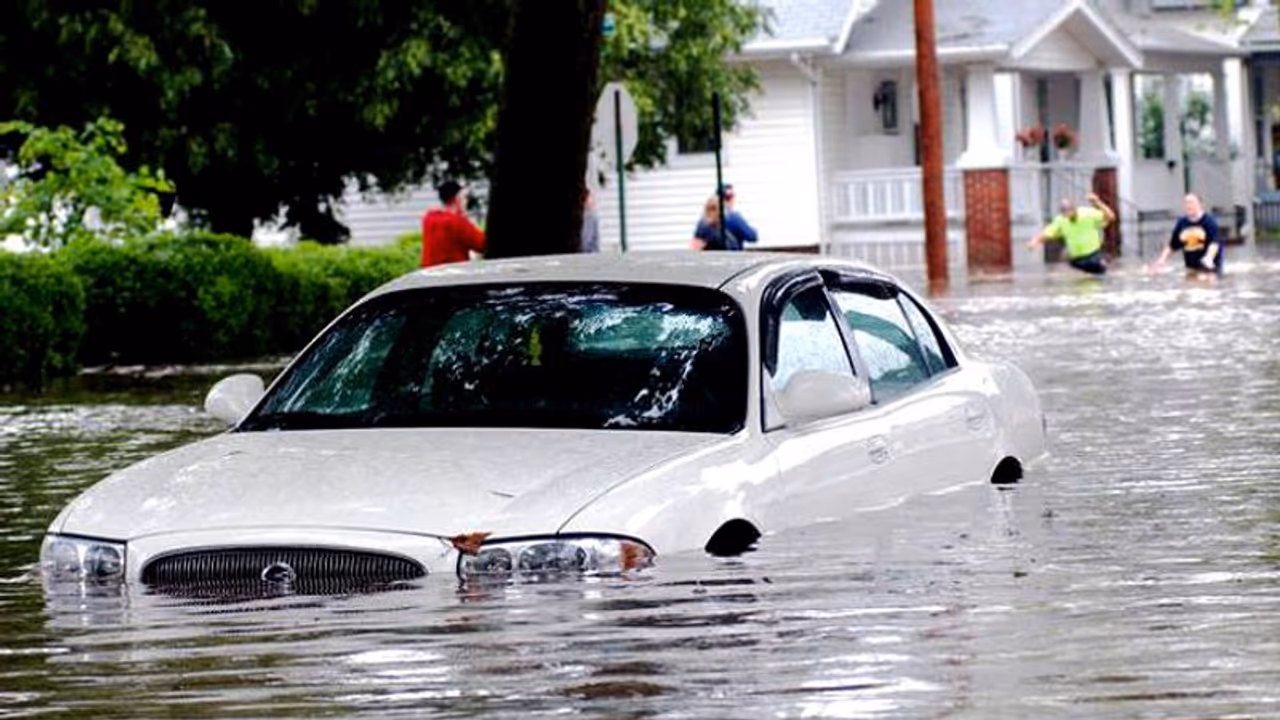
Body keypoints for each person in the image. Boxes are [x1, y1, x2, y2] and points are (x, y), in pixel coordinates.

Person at [1025, 192, 1116, 275]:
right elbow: (1048, 233)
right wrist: (1035, 241)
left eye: (1068, 212)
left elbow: (1111, 217)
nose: (1067, 216)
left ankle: (1104, 264)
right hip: (1077, 259)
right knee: (1077, 271)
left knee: (1097, 273)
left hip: (1093, 254)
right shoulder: (1061, 219)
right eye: (1064, 213)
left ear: (1075, 209)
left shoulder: (1088, 213)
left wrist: (1098, 203)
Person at [1149, 193, 1223, 276]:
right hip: (1191, 268)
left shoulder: (1209, 222)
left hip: (1210, 267)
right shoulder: (1182, 223)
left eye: (1191, 202)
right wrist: (1161, 260)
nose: (1188, 206)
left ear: (1200, 204)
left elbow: (1215, 242)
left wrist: (1209, 257)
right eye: (1186, 203)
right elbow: (1172, 245)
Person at [421, 180, 485, 268]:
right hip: (453, 275)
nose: (466, 202)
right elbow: (482, 244)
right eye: (464, 197)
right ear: (457, 198)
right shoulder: (457, 222)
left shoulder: (429, 219)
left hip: (428, 274)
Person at [721, 184, 758, 249]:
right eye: (729, 197)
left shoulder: (705, 220)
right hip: (733, 257)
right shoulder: (733, 217)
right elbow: (752, 236)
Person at [580, 186, 600, 253]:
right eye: (590, 198)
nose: (592, 201)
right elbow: (585, 242)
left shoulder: (593, 218)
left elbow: (595, 243)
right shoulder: (587, 218)